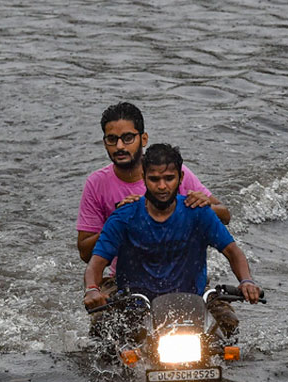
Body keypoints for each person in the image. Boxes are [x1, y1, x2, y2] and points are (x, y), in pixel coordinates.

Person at [82, 144, 260, 334]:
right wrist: (92, 289)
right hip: (137, 307)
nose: (161, 186)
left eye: (169, 178)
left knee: (229, 327)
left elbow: (233, 252)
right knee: (102, 331)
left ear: (181, 178)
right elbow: (95, 264)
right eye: (154, 179)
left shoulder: (199, 213)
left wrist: (246, 281)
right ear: (143, 178)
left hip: (193, 303)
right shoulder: (124, 217)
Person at [75, 102, 230, 274]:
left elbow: (225, 215)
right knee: (98, 299)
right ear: (105, 143)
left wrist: (202, 204)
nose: (119, 146)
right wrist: (117, 221)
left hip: (182, 276)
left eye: (128, 138)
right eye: (112, 139)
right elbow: (85, 254)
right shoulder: (96, 184)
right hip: (125, 279)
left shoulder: (171, 173)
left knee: (217, 301)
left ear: (143, 139)